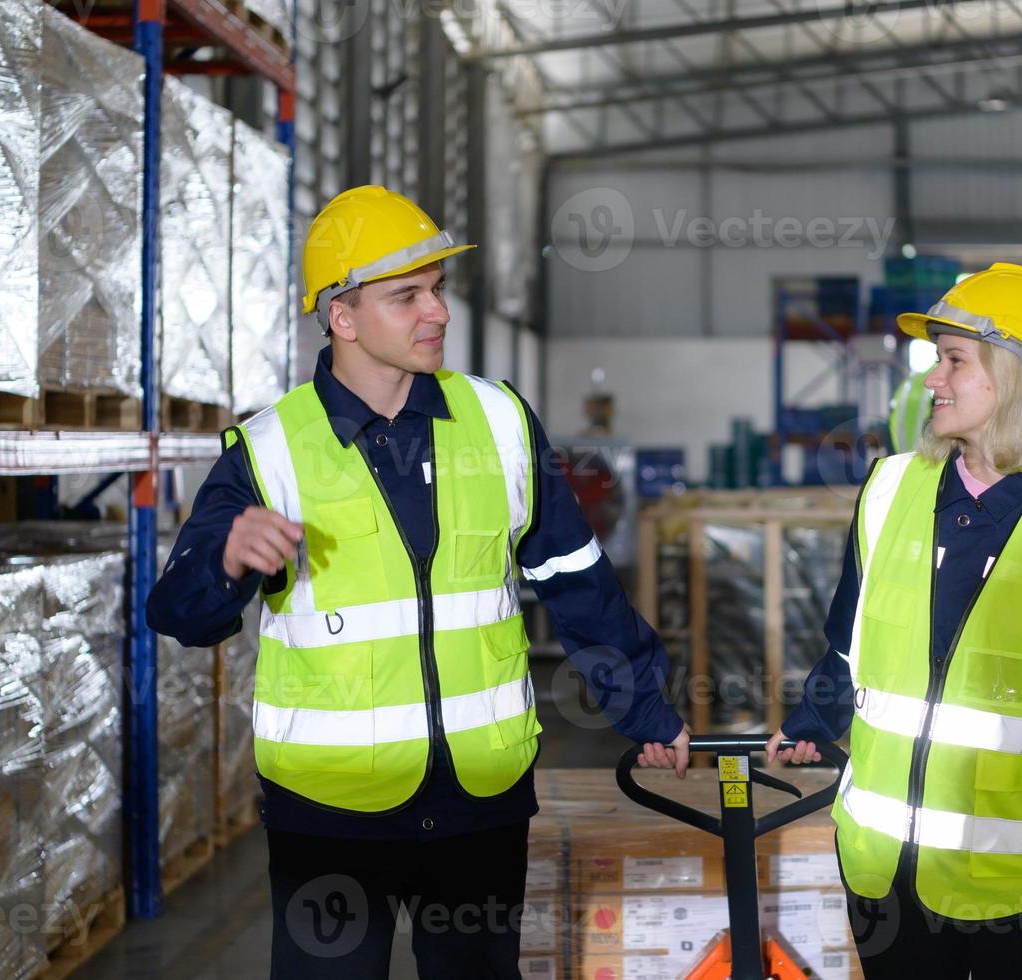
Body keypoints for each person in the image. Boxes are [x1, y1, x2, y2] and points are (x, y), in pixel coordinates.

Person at [147, 185, 690, 979]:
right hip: (329, 817)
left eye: (436, 290)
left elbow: (576, 579)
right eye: (407, 296)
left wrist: (644, 709)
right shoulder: (268, 450)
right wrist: (225, 559)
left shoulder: (499, 421)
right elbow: (180, 613)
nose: (435, 312)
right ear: (342, 316)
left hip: (480, 802)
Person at [766, 263, 1022, 978]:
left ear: (1012, 375)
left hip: (1018, 897)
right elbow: (848, 648)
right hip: (881, 877)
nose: (931, 381)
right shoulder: (888, 489)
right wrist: (811, 718)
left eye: (952, 359)